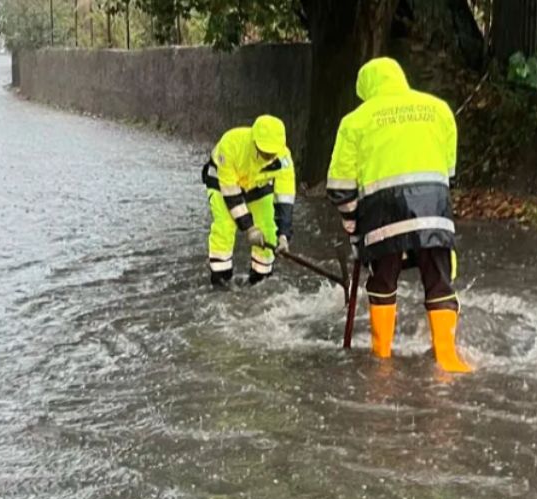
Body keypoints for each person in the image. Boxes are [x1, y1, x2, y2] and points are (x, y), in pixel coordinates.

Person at [326, 57, 471, 373]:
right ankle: (448, 359)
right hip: (435, 207)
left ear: (365, 88)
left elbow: (339, 187)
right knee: (439, 281)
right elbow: (449, 171)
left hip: (382, 213)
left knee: (382, 281)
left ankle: (381, 358)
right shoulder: (438, 109)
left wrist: (355, 232)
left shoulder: (355, 121)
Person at [201, 115, 296, 287]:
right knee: (225, 227)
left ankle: (261, 280)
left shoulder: (284, 160)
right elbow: (230, 192)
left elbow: (285, 199)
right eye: (264, 152)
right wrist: (249, 227)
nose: (268, 157)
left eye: (271, 154)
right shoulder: (231, 143)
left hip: (257, 186)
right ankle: (221, 280)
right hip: (222, 183)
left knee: (267, 228)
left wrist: (283, 235)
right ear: (254, 142)